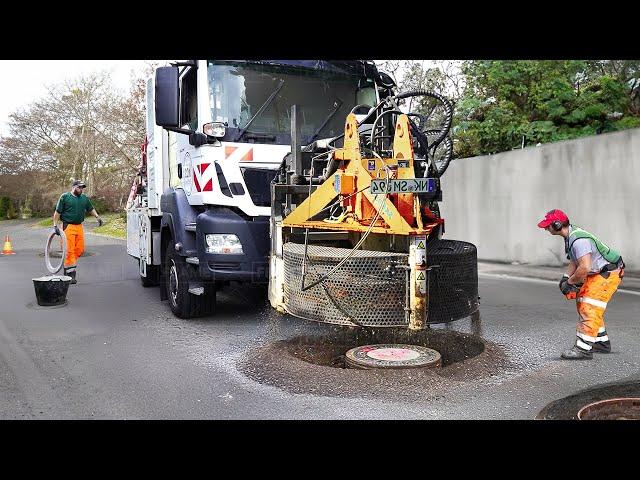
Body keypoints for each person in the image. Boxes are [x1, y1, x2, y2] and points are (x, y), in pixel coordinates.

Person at [538, 209, 624, 360]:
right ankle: (600, 342)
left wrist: (570, 282)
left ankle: (583, 349)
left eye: (548, 225)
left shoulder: (579, 240)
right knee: (583, 302)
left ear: (557, 225)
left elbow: (584, 267)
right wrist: (565, 278)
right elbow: (575, 260)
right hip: (598, 272)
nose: (546, 228)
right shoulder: (571, 236)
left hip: (607, 273)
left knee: (589, 306)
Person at [52, 180, 103, 284]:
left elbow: (90, 208)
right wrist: (55, 225)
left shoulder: (84, 198)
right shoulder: (65, 197)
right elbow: (57, 212)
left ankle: (70, 267)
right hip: (68, 226)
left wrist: (97, 217)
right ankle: (70, 274)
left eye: (82, 188)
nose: (81, 189)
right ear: (74, 187)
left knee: (79, 250)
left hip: (79, 226)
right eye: (79, 187)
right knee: (69, 250)